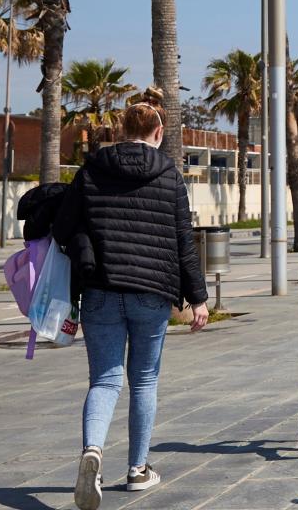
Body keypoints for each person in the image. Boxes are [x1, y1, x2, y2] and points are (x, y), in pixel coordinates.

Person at [54, 88, 209, 509]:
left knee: (104, 380)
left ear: (122, 129)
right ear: (158, 131)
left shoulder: (90, 171)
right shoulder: (170, 175)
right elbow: (184, 242)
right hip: (151, 293)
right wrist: (198, 298)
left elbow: (64, 227)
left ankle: (92, 452)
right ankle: (138, 469)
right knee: (143, 380)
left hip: (101, 289)